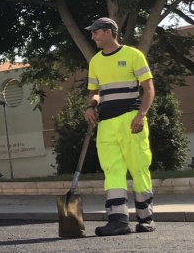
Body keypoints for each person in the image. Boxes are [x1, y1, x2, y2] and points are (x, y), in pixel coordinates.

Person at [82, 17, 156, 236]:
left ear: (107, 32)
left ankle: (146, 219)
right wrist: (90, 106)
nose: (92, 36)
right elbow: (95, 91)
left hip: (130, 119)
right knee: (112, 171)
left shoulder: (133, 55)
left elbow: (149, 89)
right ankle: (118, 220)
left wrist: (141, 115)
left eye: (95, 32)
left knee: (139, 168)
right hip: (105, 123)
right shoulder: (95, 61)